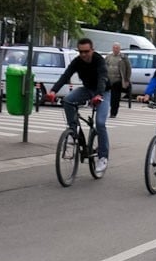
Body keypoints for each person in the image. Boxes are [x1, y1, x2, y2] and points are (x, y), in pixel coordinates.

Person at [46, 38, 110, 172]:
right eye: (80, 52)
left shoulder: (99, 60)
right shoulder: (77, 62)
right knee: (68, 100)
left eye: (86, 51)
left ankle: (103, 157)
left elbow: (102, 78)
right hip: (87, 90)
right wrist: (53, 91)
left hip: (103, 92)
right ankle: (73, 131)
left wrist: (98, 95)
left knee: (100, 123)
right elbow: (66, 75)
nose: (83, 55)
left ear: (92, 50)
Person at [105, 43, 132, 118]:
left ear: (119, 49)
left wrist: (127, 80)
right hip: (108, 80)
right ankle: (103, 110)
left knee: (115, 98)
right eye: (114, 48)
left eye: (117, 48)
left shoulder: (123, 58)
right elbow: (104, 66)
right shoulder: (108, 57)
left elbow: (128, 69)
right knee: (105, 96)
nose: (115, 49)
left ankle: (113, 113)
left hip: (118, 81)